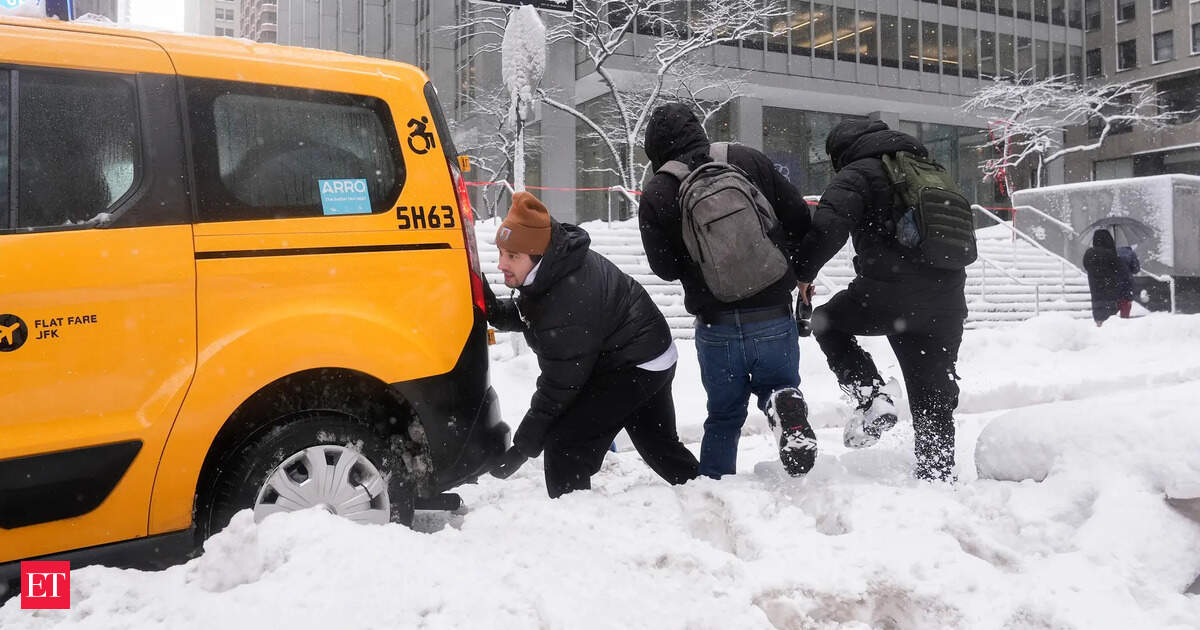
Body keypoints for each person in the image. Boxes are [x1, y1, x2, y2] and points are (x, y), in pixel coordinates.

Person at [638, 103, 816, 479]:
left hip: (716, 323)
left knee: (723, 416)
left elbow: (664, 269)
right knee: (780, 384)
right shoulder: (747, 159)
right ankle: (784, 404)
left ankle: (717, 490)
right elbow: (800, 218)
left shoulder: (657, 190)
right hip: (772, 313)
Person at [484, 191, 700, 498]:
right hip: (648, 352)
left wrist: (522, 448)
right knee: (658, 444)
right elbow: (532, 313)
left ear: (537, 255)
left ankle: (578, 528)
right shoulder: (554, 267)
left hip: (633, 363)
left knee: (565, 447)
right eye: (502, 253)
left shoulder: (567, 298)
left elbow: (558, 388)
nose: (502, 264)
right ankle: (703, 492)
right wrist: (493, 310)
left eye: (513, 256)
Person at [793, 119, 967, 482]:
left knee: (826, 321)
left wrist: (804, 274)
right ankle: (937, 476)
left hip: (889, 294)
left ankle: (872, 396)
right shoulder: (929, 169)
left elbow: (828, 227)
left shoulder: (859, 172)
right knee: (932, 391)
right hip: (946, 300)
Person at [1083, 229, 1124, 326]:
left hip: (1095, 288)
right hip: (1110, 288)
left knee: (1098, 309)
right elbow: (1118, 269)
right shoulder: (1110, 254)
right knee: (1111, 317)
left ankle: (1099, 322)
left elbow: (1086, 266)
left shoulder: (1089, 253)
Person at [1116, 244, 1141, 319]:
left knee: (1117, 301)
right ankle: (1124, 319)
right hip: (1127, 281)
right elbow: (1136, 269)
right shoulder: (1131, 253)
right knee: (1126, 302)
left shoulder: (1113, 252)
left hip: (1115, 282)